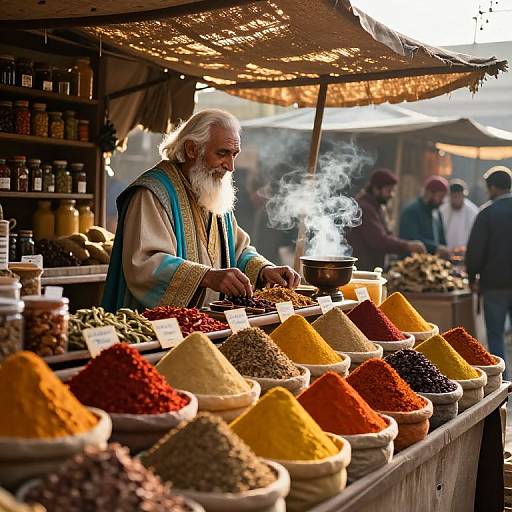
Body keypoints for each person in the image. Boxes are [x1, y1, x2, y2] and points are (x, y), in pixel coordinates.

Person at [103, 109, 301, 311]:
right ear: (191, 149)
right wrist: (206, 276)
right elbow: (144, 264)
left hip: (208, 326)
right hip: (157, 330)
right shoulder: (152, 193)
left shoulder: (211, 191)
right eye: (222, 153)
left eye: (234, 155)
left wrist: (264, 270)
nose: (231, 166)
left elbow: (236, 251)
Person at [466, 166, 512, 370]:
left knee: (495, 335)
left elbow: (475, 251)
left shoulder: (487, 213)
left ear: (492, 187)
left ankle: (502, 383)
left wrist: (471, 276)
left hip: (495, 285)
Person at [347, 168, 426, 270]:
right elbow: (379, 241)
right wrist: (408, 246)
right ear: (376, 189)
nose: (391, 195)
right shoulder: (365, 208)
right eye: (388, 190)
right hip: (363, 269)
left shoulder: (378, 207)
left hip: (373, 268)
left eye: (393, 191)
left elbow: (387, 236)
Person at [399, 175, 450, 257]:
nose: (442, 201)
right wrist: (436, 248)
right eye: (440, 196)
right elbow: (411, 238)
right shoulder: (412, 211)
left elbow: (441, 240)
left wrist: (445, 249)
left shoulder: (437, 212)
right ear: (429, 193)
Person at [440, 179, 478, 251]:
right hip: (445, 251)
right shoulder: (442, 210)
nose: (456, 200)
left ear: (463, 196)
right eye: (454, 197)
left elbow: (476, 235)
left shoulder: (473, 211)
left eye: (458, 197)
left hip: (465, 252)